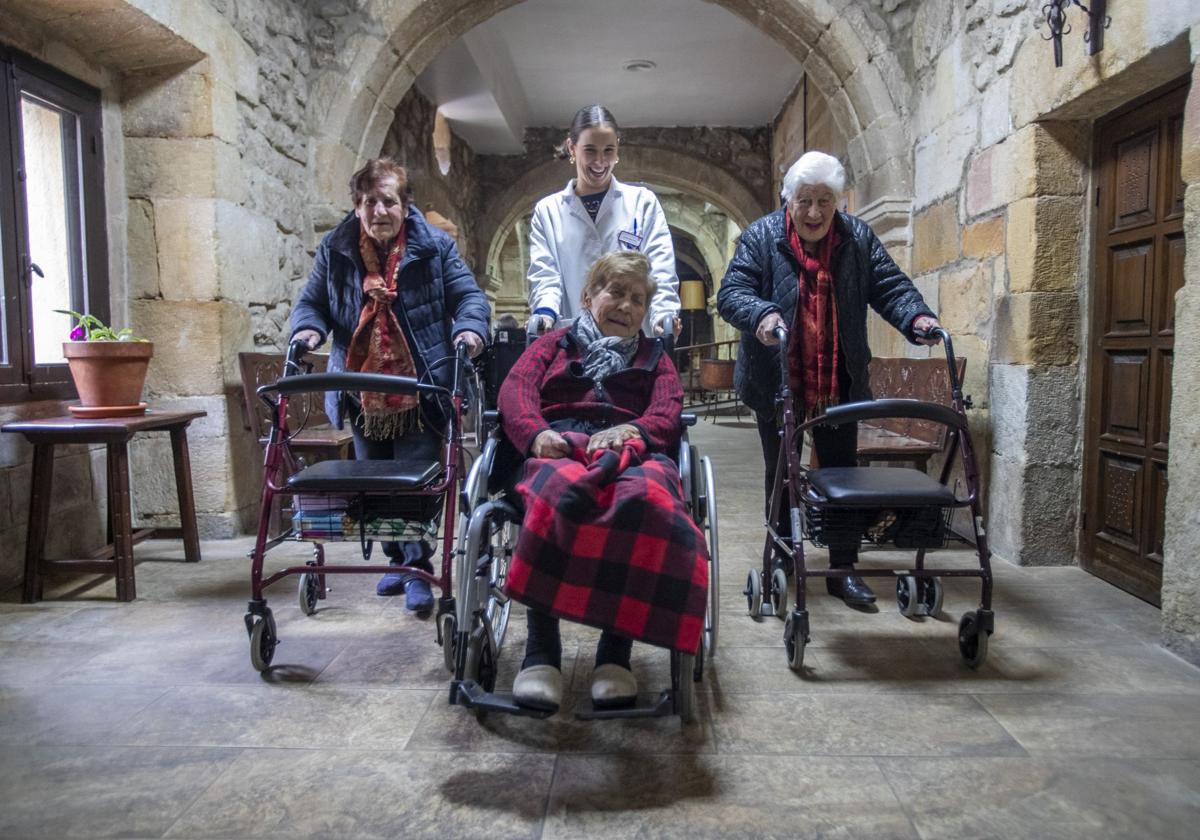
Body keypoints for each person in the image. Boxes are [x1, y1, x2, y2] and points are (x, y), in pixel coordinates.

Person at [716, 151, 942, 608]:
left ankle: (842, 567)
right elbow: (731, 293)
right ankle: (781, 556)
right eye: (805, 201)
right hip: (776, 377)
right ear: (788, 200)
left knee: (842, 475)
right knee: (781, 472)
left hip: (837, 381)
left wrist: (917, 317)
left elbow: (890, 286)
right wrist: (761, 313)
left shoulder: (856, 237)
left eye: (825, 201)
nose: (815, 213)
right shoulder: (761, 237)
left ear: (838, 202)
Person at [499, 251, 707, 713]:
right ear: (588, 296)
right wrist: (536, 434)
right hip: (561, 441)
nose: (626, 306)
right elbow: (516, 391)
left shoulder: (656, 358)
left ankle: (615, 656)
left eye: (637, 299)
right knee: (557, 493)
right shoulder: (553, 344)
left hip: (632, 449)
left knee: (647, 499)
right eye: (615, 292)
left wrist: (635, 430)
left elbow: (668, 408)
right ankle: (540, 653)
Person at [291, 157, 489, 616]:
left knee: (412, 485)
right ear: (357, 206)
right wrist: (308, 331)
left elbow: (468, 295)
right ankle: (396, 561)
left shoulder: (435, 247)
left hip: (419, 387)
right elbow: (312, 303)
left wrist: (469, 329)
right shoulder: (335, 248)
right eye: (369, 202)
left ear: (405, 204)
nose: (379, 210)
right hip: (360, 388)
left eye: (389, 201)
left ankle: (418, 567)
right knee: (373, 482)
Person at [526, 104, 680, 338]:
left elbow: (660, 269)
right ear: (572, 148)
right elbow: (545, 275)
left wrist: (664, 314)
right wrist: (545, 312)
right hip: (574, 337)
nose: (600, 161)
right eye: (590, 150)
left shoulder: (643, 203)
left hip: (633, 337)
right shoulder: (548, 211)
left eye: (608, 150)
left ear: (617, 149)